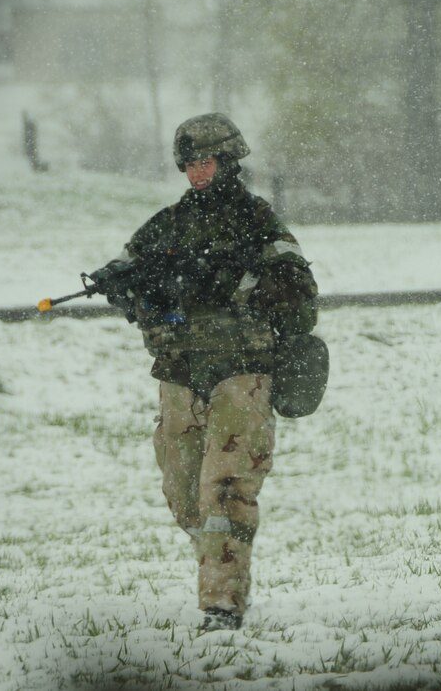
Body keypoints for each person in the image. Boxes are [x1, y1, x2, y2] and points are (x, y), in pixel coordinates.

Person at [98, 113, 323, 630]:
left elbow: (299, 300)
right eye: (189, 165)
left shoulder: (257, 221)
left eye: (204, 162)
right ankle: (223, 565)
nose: (196, 173)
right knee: (184, 495)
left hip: (242, 371)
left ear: (227, 161)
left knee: (226, 487)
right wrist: (129, 286)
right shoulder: (166, 225)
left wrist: (233, 282)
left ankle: (221, 604)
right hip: (180, 373)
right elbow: (130, 269)